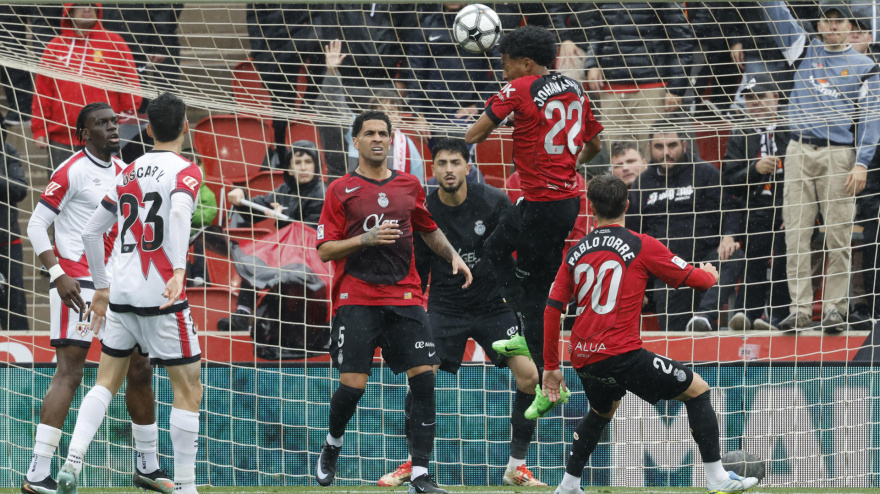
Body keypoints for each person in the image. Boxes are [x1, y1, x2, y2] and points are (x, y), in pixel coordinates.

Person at [543, 174, 760, 494]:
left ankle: (568, 485)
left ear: (591, 208)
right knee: (697, 390)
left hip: (583, 356)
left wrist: (550, 366)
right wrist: (712, 275)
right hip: (621, 353)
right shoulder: (640, 243)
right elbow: (695, 279)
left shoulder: (576, 252)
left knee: (603, 411)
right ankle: (718, 478)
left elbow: (551, 309)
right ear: (628, 205)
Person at [314, 111, 472, 493]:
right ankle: (332, 446)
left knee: (425, 380)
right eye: (369, 133)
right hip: (357, 297)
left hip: (405, 295)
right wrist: (363, 241)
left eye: (383, 133)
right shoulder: (340, 189)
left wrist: (453, 254)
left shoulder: (409, 185)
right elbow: (324, 250)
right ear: (355, 141)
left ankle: (420, 473)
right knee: (352, 387)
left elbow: (427, 228)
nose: (377, 139)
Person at [55, 93, 202, 494]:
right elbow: (176, 213)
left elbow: (89, 231)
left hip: (120, 293)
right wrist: (177, 269)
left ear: (149, 129)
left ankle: (74, 458)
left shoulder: (126, 172)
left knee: (105, 381)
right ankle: (187, 486)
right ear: (185, 127)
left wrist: (100, 286)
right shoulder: (187, 171)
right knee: (188, 387)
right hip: (162, 294)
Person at [377, 138, 543, 488]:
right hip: (445, 307)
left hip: (493, 307)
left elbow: (518, 252)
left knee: (530, 376)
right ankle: (414, 462)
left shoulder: (495, 201)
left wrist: (521, 299)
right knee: (422, 377)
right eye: (441, 163)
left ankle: (517, 467)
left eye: (455, 162)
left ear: (468, 167)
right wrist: (410, 310)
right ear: (432, 168)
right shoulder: (425, 208)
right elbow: (420, 266)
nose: (448, 169)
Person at [24, 103, 171, 494]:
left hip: (119, 285)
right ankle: (37, 473)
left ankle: (147, 466)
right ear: (84, 134)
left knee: (141, 369)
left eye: (114, 122)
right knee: (71, 373)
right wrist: (57, 275)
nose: (112, 127)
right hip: (77, 285)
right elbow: (36, 224)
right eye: (101, 124)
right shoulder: (70, 169)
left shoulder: (128, 173)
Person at [465, 25, 603, 417]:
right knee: (491, 248)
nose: (502, 70)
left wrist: (505, 120)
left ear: (526, 63)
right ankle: (524, 336)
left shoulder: (520, 89)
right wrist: (566, 167)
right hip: (553, 201)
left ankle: (548, 379)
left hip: (544, 208)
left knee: (536, 290)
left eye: (506, 62)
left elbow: (473, 135)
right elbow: (593, 145)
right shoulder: (575, 89)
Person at [764, 1, 880, 332]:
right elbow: (776, 13)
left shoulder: (866, 65)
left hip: (839, 155)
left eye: (838, 22)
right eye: (826, 22)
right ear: (818, 27)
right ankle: (799, 310)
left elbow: (872, 119)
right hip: (799, 151)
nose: (832, 27)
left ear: (849, 27)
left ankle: (834, 310)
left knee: (838, 235)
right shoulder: (802, 50)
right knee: (796, 236)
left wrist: (862, 163)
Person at [626, 126, 741, 332]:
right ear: (650, 148)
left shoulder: (705, 172)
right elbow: (632, 234)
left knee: (735, 255)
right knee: (676, 340)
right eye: (659, 147)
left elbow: (730, 210)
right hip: (666, 269)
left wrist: (729, 236)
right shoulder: (643, 183)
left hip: (704, 259)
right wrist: (635, 283)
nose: (666, 153)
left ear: (685, 145)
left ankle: (704, 317)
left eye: (672, 145)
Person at [553, 2, 693, 153]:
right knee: (618, 160)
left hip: (651, 87)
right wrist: (592, 64)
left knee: (652, 158)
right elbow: (596, 33)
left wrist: (676, 88)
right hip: (612, 90)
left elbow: (681, 39)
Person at [219, 140, 326, 332]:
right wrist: (239, 195)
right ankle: (243, 314)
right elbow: (252, 211)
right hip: (288, 256)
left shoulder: (321, 194)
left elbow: (311, 235)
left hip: (313, 262)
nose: (303, 167)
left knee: (272, 264)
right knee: (255, 261)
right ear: (290, 169)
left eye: (308, 162)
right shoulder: (285, 191)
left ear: (315, 166)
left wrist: (283, 219)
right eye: (298, 162)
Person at [31, 4, 141, 173]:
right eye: (81, 4)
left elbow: (130, 84)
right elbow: (42, 92)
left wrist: (123, 121)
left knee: (105, 193)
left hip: (103, 137)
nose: (88, 9)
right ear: (69, 11)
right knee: (61, 195)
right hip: (61, 139)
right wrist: (39, 129)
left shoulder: (115, 43)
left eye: (92, 5)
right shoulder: (54, 46)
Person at [722, 74, 792, 331]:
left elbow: (804, 174)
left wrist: (795, 210)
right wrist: (755, 169)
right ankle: (746, 314)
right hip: (753, 209)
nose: (755, 103)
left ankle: (778, 315)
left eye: (761, 96)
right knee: (754, 257)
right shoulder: (740, 133)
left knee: (783, 259)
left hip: (788, 207)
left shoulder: (791, 128)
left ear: (775, 98)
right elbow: (729, 178)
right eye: (750, 98)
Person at [0, 124, 28, 331]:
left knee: (13, 298)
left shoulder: (7, 150)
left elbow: (20, 190)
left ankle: (19, 351)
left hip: (7, 240)